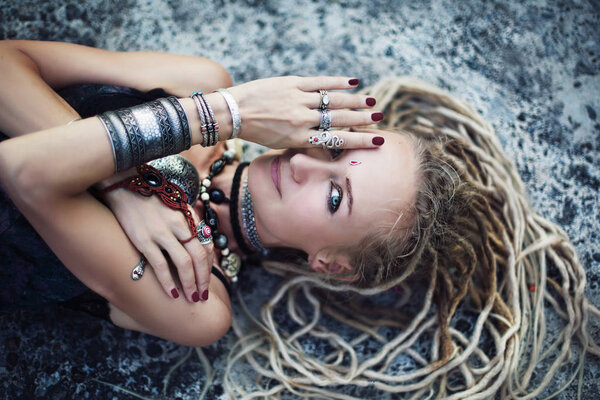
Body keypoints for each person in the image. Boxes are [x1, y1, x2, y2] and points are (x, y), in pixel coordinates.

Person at [0, 40, 597, 398]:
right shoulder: (204, 86)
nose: (308, 167)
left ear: (331, 265)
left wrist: (221, 118)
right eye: (335, 150)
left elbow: (24, 172)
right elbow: (9, 59)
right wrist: (134, 187)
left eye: (337, 198)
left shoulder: (197, 301)